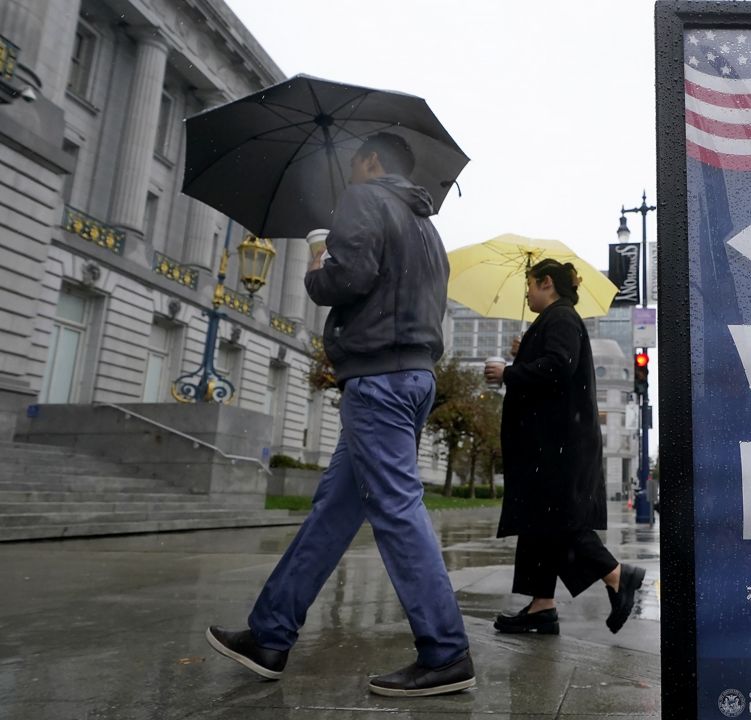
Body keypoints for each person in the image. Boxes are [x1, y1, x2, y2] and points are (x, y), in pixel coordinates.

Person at [206, 132, 474, 697]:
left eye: (353, 165)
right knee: (333, 513)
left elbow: (347, 281)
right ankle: (269, 635)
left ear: (371, 162)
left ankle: (446, 651)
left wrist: (317, 265)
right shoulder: (428, 229)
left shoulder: (364, 199)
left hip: (378, 377)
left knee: (398, 511)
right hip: (413, 374)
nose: (349, 176)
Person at [483, 258, 646, 636]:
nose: (526, 293)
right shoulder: (557, 320)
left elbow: (557, 367)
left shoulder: (561, 318)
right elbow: (553, 363)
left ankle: (619, 575)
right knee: (538, 523)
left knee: (559, 523)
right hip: (551, 445)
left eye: (529, 285)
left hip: (557, 446)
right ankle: (542, 606)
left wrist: (508, 371)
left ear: (546, 284)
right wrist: (525, 352)